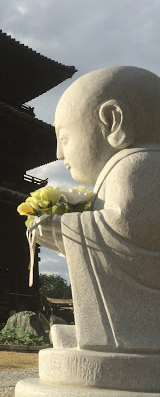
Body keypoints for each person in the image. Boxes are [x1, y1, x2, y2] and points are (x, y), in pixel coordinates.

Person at [36, 66, 160, 353]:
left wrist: (66, 229)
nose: (58, 153)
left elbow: (135, 230)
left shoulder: (137, 166)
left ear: (113, 121)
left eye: (64, 138)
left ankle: (117, 339)